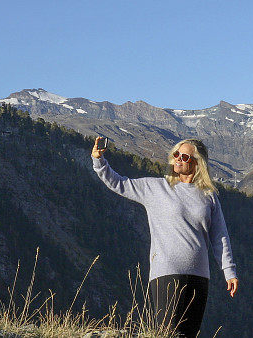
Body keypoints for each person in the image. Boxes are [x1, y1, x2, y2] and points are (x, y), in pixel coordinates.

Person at [91, 137, 238, 337]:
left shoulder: (208, 195)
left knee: (189, 334)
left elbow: (219, 236)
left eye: (184, 156)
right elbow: (119, 183)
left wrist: (229, 271)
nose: (177, 159)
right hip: (166, 273)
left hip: (200, 275)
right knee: (168, 333)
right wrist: (99, 161)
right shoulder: (156, 188)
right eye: (176, 154)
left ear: (197, 162)